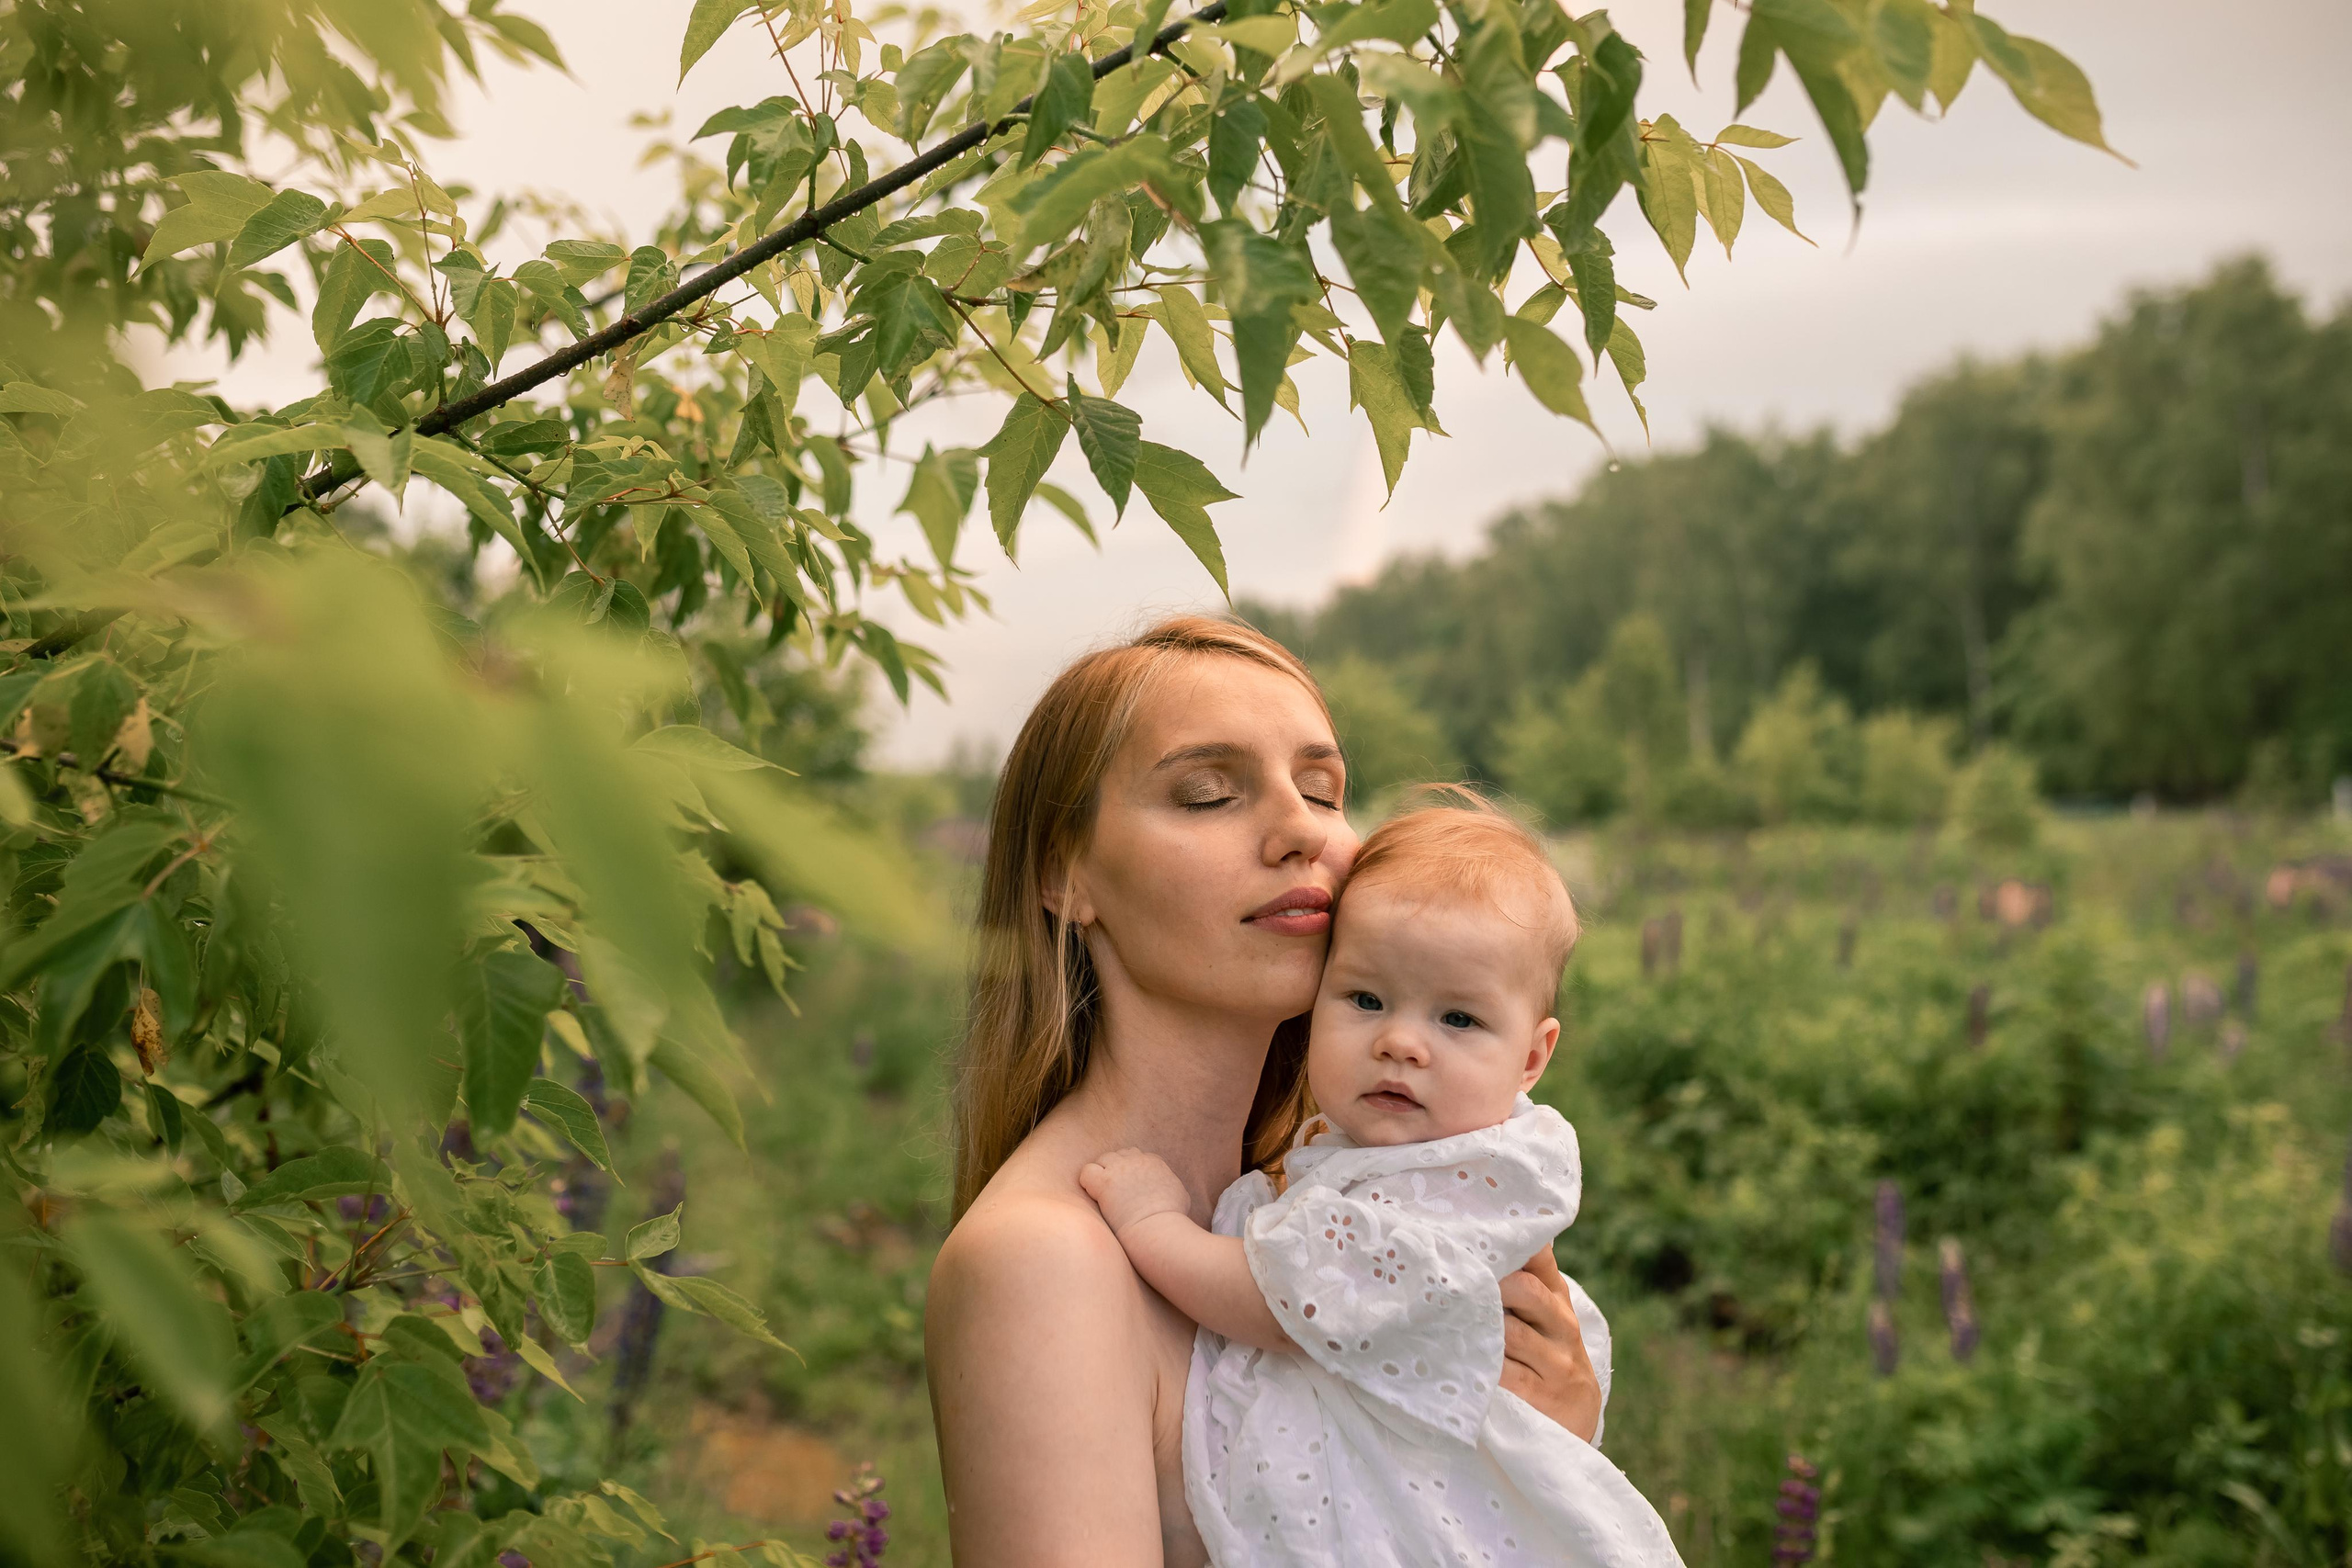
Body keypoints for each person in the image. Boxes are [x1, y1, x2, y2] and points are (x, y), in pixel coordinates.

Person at [924, 618, 1606, 1567]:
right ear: (1062, 874)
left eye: (1323, 791)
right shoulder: (1047, 1258)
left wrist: (1541, 1448)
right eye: (1208, 794)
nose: (1301, 832)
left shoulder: (1338, 1193)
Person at [1079, 799, 1683, 1567]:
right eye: (1365, 1000)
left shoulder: (1460, 1186)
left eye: (1458, 1019)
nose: (1400, 1042)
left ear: (1533, 1058)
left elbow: (1280, 1298)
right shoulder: (1395, 1153)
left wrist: (1150, 1223)